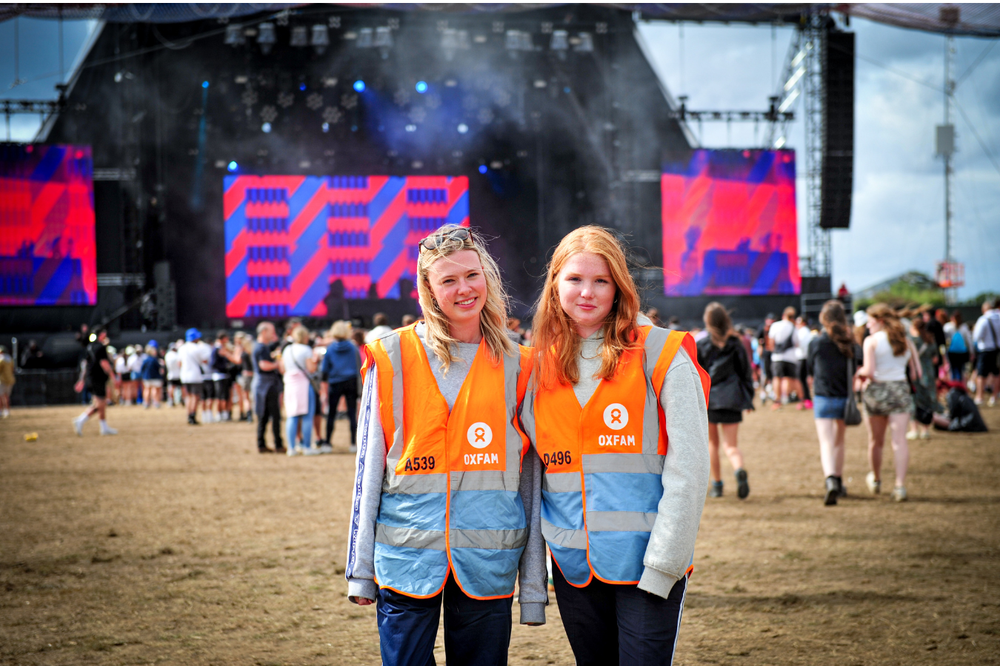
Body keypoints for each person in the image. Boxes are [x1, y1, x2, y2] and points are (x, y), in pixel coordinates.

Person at [346, 224, 545, 666]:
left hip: (489, 560)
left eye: (472, 275)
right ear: (429, 289)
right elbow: (369, 466)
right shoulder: (391, 355)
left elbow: (532, 480)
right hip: (406, 556)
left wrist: (533, 588)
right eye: (448, 280)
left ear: (488, 277)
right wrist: (361, 572)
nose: (464, 289)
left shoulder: (522, 364)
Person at [520, 226, 710, 666]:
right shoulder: (536, 368)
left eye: (601, 281)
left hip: (649, 567)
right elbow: (535, 475)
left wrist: (664, 564)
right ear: (555, 286)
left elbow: (691, 469)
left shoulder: (663, 353)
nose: (587, 292)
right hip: (574, 571)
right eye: (574, 280)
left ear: (619, 286)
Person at [857, 303, 921, 502]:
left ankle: (876, 479)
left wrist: (858, 373)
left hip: (877, 392)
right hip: (900, 390)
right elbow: (916, 373)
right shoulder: (905, 341)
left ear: (880, 321)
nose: (868, 326)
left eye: (870, 322)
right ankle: (899, 486)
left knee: (876, 441)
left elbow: (869, 370)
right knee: (899, 440)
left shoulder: (871, 341)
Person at [807, 300, 863, 506]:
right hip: (844, 398)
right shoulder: (850, 341)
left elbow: (809, 369)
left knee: (826, 442)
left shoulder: (817, 342)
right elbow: (859, 363)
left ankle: (830, 479)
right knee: (839, 442)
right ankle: (838, 481)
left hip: (822, 397)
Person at [697, 303, 754, 499]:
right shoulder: (736, 344)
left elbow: (698, 376)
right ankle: (739, 470)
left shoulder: (702, 345)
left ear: (708, 321)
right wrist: (749, 399)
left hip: (710, 400)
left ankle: (718, 485)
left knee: (713, 444)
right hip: (733, 399)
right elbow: (746, 373)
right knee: (731, 446)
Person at [280, 326, 319, 455]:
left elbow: (282, 368)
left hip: (290, 385)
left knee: (292, 416)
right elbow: (311, 369)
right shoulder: (306, 349)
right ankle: (306, 447)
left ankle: (291, 448)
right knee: (307, 416)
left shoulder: (287, 349)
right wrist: (316, 360)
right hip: (303, 384)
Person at [320, 320, 359, 452]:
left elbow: (324, 369)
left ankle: (327, 443)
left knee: (331, 413)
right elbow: (359, 365)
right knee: (352, 414)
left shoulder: (330, 349)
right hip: (351, 382)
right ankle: (354, 443)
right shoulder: (353, 347)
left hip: (335, 382)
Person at [72, 327, 118, 436]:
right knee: (100, 403)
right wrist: (113, 376)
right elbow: (104, 363)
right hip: (97, 378)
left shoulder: (90, 347)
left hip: (92, 378)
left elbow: (86, 364)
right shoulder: (100, 347)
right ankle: (81, 420)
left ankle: (103, 427)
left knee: (100, 403)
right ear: (101, 335)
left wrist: (81, 380)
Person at [253, 321, 284, 453]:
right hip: (267, 385)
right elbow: (263, 365)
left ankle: (262, 444)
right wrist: (277, 364)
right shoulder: (262, 348)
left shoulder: (260, 347)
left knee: (263, 416)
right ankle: (278, 444)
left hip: (263, 385)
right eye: (271, 331)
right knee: (274, 415)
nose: (273, 334)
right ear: (264, 332)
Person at [908, 319, 939, 440]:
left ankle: (914, 430)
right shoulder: (930, 339)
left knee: (913, 401)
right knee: (927, 401)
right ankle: (925, 430)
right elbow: (935, 359)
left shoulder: (912, 341)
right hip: (929, 374)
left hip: (915, 374)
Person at [768, 307, 800, 409]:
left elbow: (771, 342)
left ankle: (777, 401)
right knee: (791, 379)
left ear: (783, 315)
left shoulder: (775, 325)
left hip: (777, 357)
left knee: (777, 378)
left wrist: (775, 351)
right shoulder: (793, 327)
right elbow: (796, 343)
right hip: (790, 357)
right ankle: (802, 399)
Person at [178, 328, 211, 425]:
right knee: (195, 396)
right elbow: (204, 361)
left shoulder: (181, 348)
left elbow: (179, 364)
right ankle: (193, 416)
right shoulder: (198, 348)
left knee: (188, 396)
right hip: (195, 375)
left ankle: (188, 415)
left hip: (184, 375)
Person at [971, 299, 1000, 406]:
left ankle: (980, 397)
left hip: (985, 350)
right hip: (997, 350)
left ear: (984, 309)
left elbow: (977, 336)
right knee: (996, 373)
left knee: (981, 374)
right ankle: (994, 396)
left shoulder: (983, 319)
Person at [944, 310, 973, 383]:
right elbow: (969, 340)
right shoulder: (964, 327)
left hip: (952, 352)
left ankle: (954, 386)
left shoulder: (948, 327)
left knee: (953, 369)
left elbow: (945, 339)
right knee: (961, 370)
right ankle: (960, 385)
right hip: (962, 352)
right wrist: (972, 352)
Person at [795, 316, 815, 410]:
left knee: (800, 381)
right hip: (804, 358)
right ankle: (806, 399)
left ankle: (804, 399)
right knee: (803, 380)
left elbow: (798, 343)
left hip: (801, 358)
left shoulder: (802, 331)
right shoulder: (806, 331)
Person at [140, 342, 164, 409]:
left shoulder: (145, 360)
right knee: (154, 390)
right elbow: (159, 368)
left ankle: (146, 403)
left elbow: (142, 368)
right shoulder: (154, 360)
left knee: (147, 390)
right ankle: (156, 403)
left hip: (146, 377)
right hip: (155, 377)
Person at [164, 342, 183, 407]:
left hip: (171, 374)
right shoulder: (177, 355)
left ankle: (171, 400)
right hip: (179, 374)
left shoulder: (167, 355)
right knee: (182, 388)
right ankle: (183, 400)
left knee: (171, 388)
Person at [0, 345, 15, 418]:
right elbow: (12, 369)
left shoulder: (1, 359)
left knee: (1, 396)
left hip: (2, 380)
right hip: (10, 380)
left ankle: (0, 411)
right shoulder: (10, 359)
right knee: (6, 396)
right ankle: (7, 411)